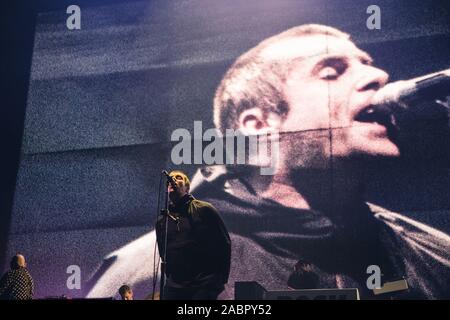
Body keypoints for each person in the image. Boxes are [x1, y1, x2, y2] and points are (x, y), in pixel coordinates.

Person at [87, 24, 450, 299]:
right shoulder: (154, 270)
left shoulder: (437, 255)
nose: (378, 77)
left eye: (367, 65)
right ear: (259, 126)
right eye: (331, 72)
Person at [155, 170, 231, 300]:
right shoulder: (162, 221)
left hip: (203, 284)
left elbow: (224, 243)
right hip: (174, 286)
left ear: (187, 188)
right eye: (170, 179)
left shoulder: (204, 209)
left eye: (178, 178)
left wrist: (219, 280)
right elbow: (163, 252)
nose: (173, 180)